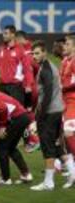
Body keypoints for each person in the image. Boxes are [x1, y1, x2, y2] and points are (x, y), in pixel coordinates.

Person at [30, 40, 75, 191]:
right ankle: (73, 174)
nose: (34, 56)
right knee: (58, 146)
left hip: (49, 113)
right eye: (33, 54)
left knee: (47, 147)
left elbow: (47, 94)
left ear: (44, 52)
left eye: (37, 53)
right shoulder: (49, 66)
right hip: (57, 110)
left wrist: (39, 117)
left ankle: (48, 183)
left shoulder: (45, 70)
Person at [0, 91, 33, 185]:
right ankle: (26, 174)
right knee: (10, 148)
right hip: (22, 117)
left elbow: (2, 109)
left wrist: (1, 127)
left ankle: (5, 178)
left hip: (17, 118)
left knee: (1, 146)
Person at [0, 25, 33, 107]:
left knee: (18, 111)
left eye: (6, 33)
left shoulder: (20, 50)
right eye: (3, 33)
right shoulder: (0, 49)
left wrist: (28, 84)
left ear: (13, 35)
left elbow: (27, 69)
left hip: (16, 87)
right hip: (2, 86)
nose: (3, 35)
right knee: (4, 111)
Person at [58, 34, 75, 189]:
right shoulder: (64, 61)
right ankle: (70, 170)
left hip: (73, 102)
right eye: (65, 44)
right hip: (65, 102)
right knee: (64, 136)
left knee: (68, 133)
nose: (65, 46)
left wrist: (63, 87)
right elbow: (60, 79)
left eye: (68, 44)